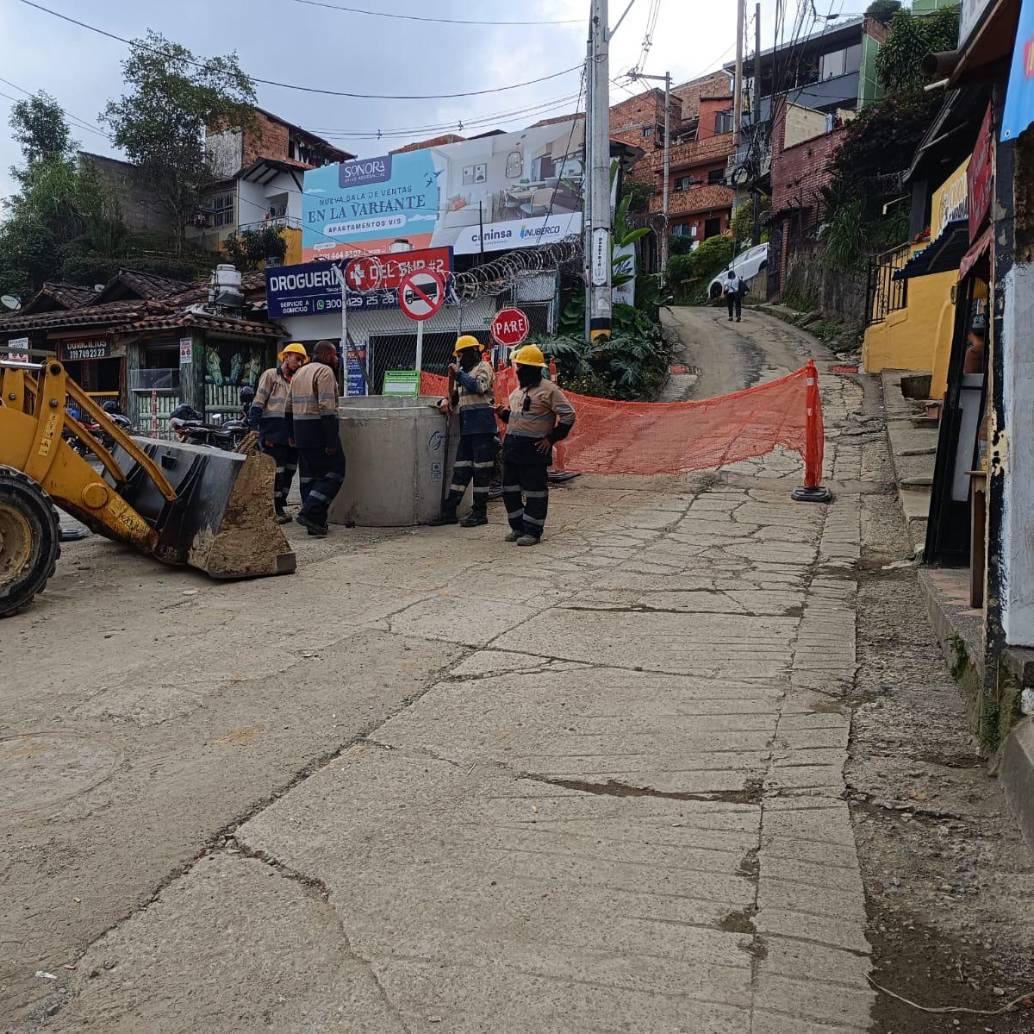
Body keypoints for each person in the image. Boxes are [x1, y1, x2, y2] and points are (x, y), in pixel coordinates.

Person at [496, 344, 575, 546]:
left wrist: (551, 439)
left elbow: (568, 415)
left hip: (534, 450)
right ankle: (517, 528)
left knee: (535, 492)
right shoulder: (518, 392)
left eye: (521, 367)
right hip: (512, 448)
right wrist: (503, 414)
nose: (518, 370)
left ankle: (532, 531)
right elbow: (519, 418)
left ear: (532, 369)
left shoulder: (549, 390)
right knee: (509, 490)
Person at [431, 335, 496, 528]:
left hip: (482, 428)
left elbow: (479, 387)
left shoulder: (483, 368)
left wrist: (458, 374)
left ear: (476, 352)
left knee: (481, 472)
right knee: (460, 471)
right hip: (468, 429)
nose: (463, 357)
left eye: (466, 353)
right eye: (460, 354)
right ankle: (449, 511)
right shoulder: (464, 374)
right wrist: (444, 400)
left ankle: (480, 513)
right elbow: (456, 399)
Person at [289, 340, 344, 537]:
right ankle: (311, 512)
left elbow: (287, 407)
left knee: (309, 476)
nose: (337, 359)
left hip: (300, 431)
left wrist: (291, 435)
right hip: (318, 430)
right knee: (335, 471)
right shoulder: (325, 372)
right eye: (335, 354)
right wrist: (331, 441)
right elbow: (326, 408)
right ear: (327, 355)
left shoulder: (299, 373)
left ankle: (316, 524)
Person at [249, 342, 307, 524]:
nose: (298, 364)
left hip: (292, 431)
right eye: (296, 359)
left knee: (290, 470)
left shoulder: (298, 380)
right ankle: (274, 507)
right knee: (277, 471)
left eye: (301, 361)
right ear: (286, 356)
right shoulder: (270, 376)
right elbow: (258, 402)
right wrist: (253, 427)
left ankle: (280, 503)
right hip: (273, 430)